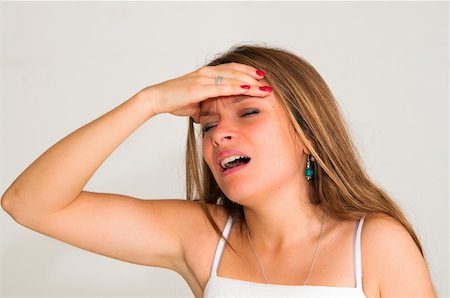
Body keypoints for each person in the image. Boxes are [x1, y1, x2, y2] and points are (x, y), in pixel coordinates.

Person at [1, 45, 436, 298]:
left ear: (307, 132)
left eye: (248, 112)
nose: (219, 135)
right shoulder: (202, 235)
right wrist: (148, 101)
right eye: (208, 125)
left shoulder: (376, 244)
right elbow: (28, 204)